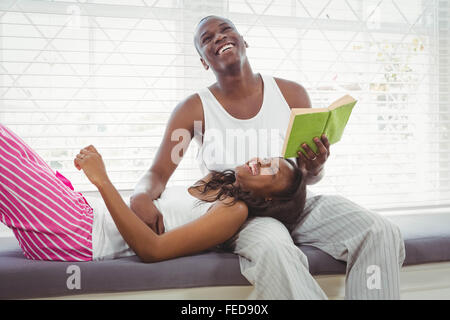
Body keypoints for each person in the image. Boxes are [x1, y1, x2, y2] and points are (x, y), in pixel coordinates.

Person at [130, 15, 406, 299]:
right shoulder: (193, 109)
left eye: (226, 30)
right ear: (203, 61)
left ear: (244, 41)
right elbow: (158, 174)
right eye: (207, 39)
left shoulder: (291, 94)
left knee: (379, 230)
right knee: (276, 250)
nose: (219, 38)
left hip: (295, 205)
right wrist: (139, 196)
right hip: (243, 215)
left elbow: (307, 176)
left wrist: (316, 166)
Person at [0, 123, 307, 262]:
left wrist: (103, 181)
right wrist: (140, 197)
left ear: (270, 199)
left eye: (271, 169)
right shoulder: (217, 181)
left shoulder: (234, 210)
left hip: (82, 235)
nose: (260, 161)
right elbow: (153, 182)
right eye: (267, 157)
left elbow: (153, 251)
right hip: (82, 214)